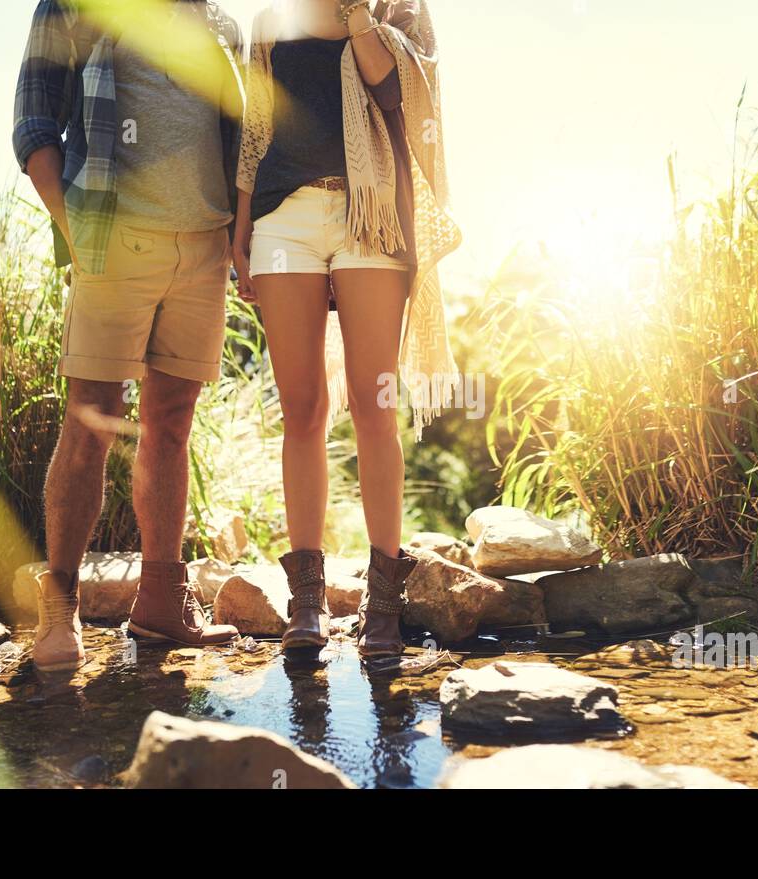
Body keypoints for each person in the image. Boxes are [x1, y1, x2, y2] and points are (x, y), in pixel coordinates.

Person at [12, 0, 246, 671]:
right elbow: (34, 123)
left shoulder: (221, 26)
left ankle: (160, 604)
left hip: (203, 248)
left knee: (172, 425)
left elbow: (240, 144)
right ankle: (60, 609)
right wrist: (75, 231)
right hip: (112, 238)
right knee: (92, 419)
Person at [233, 0, 460, 658]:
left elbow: (399, 94)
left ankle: (382, 603)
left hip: (372, 214)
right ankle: (308, 603)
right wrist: (242, 224)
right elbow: (254, 127)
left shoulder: (398, 8)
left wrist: (358, 15)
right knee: (302, 407)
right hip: (284, 220)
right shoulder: (272, 18)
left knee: (374, 404)